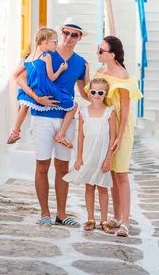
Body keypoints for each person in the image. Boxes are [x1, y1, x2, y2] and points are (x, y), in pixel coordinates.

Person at [15, 18, 89, 227]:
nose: (69, 38)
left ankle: (61, 214)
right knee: (42, 165)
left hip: (66, 119)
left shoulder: (81, 63)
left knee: (63, 167)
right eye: (66, 33)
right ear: (60, 33)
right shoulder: (43, 52)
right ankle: (45, 213)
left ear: (80, 38)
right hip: (42, 117)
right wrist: (36, 98)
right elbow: (19, 77)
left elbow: (84, 91)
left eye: (74, 34)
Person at [90, 36, 143, 237]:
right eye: (98, 49)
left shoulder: (122, 77)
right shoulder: (100, 72)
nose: (98, 52)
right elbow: (94, 97)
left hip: (122, 130)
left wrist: (119, 138)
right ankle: (116, 215)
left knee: (121, 173)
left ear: (112, 55)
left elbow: (126, 111)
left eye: (101, 50)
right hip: (105, 128)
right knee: (111, 173)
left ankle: (126, 221)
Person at [63, 78, 116, 232]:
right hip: (88, 154)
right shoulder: (83, 112)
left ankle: (104, 221)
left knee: (103, 187)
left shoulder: (109, 112)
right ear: (89, 92)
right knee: (89, 186)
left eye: (100, 92)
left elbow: (112, 137)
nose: (96, 95)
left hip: (102, 155)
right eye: (93, 92)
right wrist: (79, 158)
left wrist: (108, 159)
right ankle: (90, 218)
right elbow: (81, 136)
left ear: (105, 94)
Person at [8, 27, 76, 146]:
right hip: (46, 90)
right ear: (46, 43)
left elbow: (15, 74)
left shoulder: (29, 57)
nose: (56, 44)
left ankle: (15, 131)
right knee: (73, 105)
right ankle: (61, 135)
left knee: (24, 103)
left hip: (34, 89)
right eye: (55, 42)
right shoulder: (46, 56)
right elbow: (51, 78)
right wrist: (61, 69)